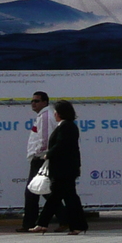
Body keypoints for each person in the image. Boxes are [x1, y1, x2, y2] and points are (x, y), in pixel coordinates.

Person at [32, 100, 88, 235]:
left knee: (56, 198)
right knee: (68, 198)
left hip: (64, 170)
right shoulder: (66, 126)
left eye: (56, 111)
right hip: (65, 170)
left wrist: (48, 155)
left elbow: (61, 145)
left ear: (60, 113)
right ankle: (78, 225)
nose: (54, 114)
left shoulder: (66, 127)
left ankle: (42, 224)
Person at [19, 90, 56, 232]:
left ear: (44, 102)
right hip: (40, 158)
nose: (33, 104)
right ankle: (65, 218)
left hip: (40, 159)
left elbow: (45, 139)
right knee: (45, 191)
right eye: (32, 101)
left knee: (32, 191)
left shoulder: (46, 116)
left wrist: (38, 154)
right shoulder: (43, 116)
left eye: (37, 101)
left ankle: (28, 223)